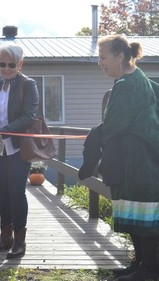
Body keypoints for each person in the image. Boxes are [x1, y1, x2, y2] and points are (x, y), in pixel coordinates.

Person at [82, 35, 159, 281]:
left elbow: (113, 125)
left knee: (144, 215)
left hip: (140, 162)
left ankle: (149, 270)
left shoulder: (128, 85)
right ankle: (140, 265)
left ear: (120, 56)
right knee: (136, 214)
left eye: (103, 57)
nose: (100, 63)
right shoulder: (136, 79)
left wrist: (94, 140)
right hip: (134, 161)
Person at [0, 43, 39, 259]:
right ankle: (5, 237)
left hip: (17, 148)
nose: (6, 68)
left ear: (20, 64)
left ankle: (20, 241)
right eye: (2, 64)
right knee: (2, 192)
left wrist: (3, 131)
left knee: (16, 193)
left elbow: (28, 116)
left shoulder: (28, 85)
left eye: (11, 64)